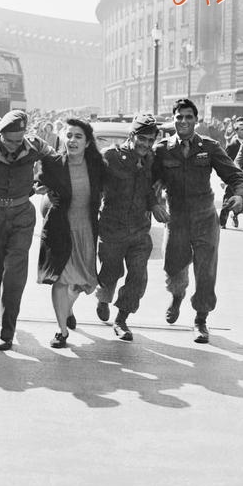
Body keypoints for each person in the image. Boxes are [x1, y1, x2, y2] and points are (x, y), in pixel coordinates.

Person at [152, 98, 243, 343]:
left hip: (205, 218)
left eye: (188, 117)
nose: (183, 121)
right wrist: (154, 203)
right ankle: (177, 297)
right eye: (179, 117)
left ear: (196, 120)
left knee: (206, 272)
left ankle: (200, 320)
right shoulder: (162, 149)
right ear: (173, 120)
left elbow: (234, 175)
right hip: (177, 219)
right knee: (173, 268)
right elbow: (147, 182)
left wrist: (238, 195)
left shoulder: (210, 147)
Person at [0, 110, 53, 350]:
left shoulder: (34, 146)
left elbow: (56, 162)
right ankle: (4, 300)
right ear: (0, 135)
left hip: (22, 214)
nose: (14, 146)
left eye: (18, 140)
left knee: (14, 274)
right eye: (9, 141)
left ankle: (6, 330)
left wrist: (45, 181)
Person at [95, 114, 166, 341]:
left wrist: (154, 205)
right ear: (132, 135)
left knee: (138, 275)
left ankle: (122, 319)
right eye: (142, 139)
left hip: (139, 228)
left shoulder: (149, 159)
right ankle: (103, 298)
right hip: (112, 227)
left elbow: (146, 188)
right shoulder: (110, 157)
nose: (146, 145)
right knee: (110, 271)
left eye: (150, 140)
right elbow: (92, 184)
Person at [36, 118, 103, 348]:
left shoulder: (97, 166)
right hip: (60, 230)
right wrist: (47, 195)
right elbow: (39, 186)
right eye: (69, 135)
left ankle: (67, 309)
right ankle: (61, 330)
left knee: (84, 283)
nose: (72, 140)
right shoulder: (53, 163)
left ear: (87, 143)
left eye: (78, 136)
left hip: (86, 231)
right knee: (60, 280)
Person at [220, 118, 243, 228]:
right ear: (236, 131)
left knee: (242, 200)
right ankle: (222, 222)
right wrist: (224, 179)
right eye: (241, 129)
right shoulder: (232, 145)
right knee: (228, 199)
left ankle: (235, 215)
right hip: (233, 177)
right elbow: (224, 162)